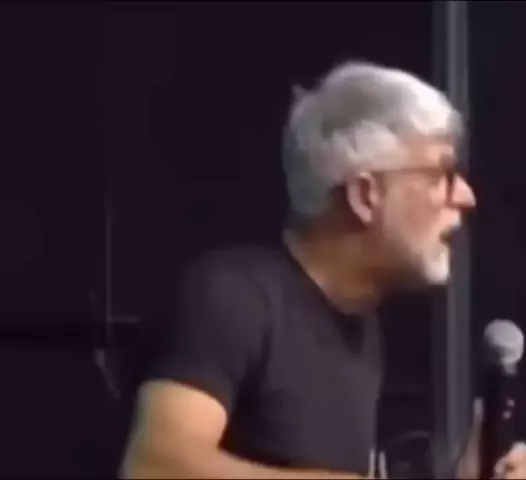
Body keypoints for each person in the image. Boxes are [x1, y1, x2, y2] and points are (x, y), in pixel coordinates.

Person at [120, 61, 525, 479]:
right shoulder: (233, 296)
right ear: (366, 195)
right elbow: (153, 467)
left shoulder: (363, 330)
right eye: (442, 174)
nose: (466, 196)